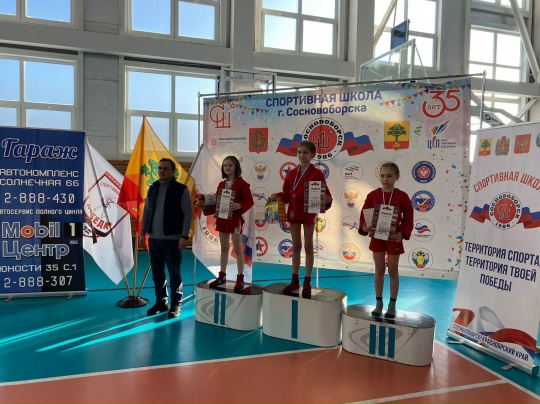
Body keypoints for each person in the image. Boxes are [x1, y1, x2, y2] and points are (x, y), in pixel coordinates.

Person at [270, 141, 332, 296]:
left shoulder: (317, 174)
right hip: (294, 211)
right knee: (296, 246)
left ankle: (307, 281)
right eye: (299, 152)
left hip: (309, 212)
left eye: (305, 152)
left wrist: (326, 199)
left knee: (308, 246)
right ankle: (294, 280)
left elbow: (326, 195)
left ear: (312, 155)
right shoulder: (291, 173)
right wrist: (277, 196)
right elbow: (286, 195)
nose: (302, 155)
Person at [139, 158, 193, 319]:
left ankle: (176, 303)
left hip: (173, 240)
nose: (162, 171)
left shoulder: (181, 190)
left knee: (174, 273)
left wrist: (184, 236)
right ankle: (161, 302)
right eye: (160, 168)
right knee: (157, 273)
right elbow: (146, 213)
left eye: (165, 168)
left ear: (173, 171)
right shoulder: (153, 188)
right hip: (154, 239)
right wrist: (142, 234)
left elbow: (188, 214)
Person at [358, 162, 413, 319]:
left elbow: (408, 218)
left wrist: (402, 233)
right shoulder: (373, 195)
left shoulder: (402, 196)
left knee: (393, 271)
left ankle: (392, 305)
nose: (385, 179)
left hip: (393, 238)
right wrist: (365, 227)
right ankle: (379, 303)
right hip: (377, 237)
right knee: (379, 270)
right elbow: (364, 216)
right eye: (382, 176)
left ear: (397, 177)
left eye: (389, 176)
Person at [197, 156, 254, 292]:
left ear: (236, 167)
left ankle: (240, 278)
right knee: (224, 248)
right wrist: (205, 207)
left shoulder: (242, 184)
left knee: (238, 249)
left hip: (235, 220)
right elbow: (218, 203)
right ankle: (222, 276)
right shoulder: (221, 184)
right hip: (222, 219)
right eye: (225, 166)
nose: (227, 168)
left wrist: (240, 205)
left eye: (230, 165)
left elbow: (249, 201)